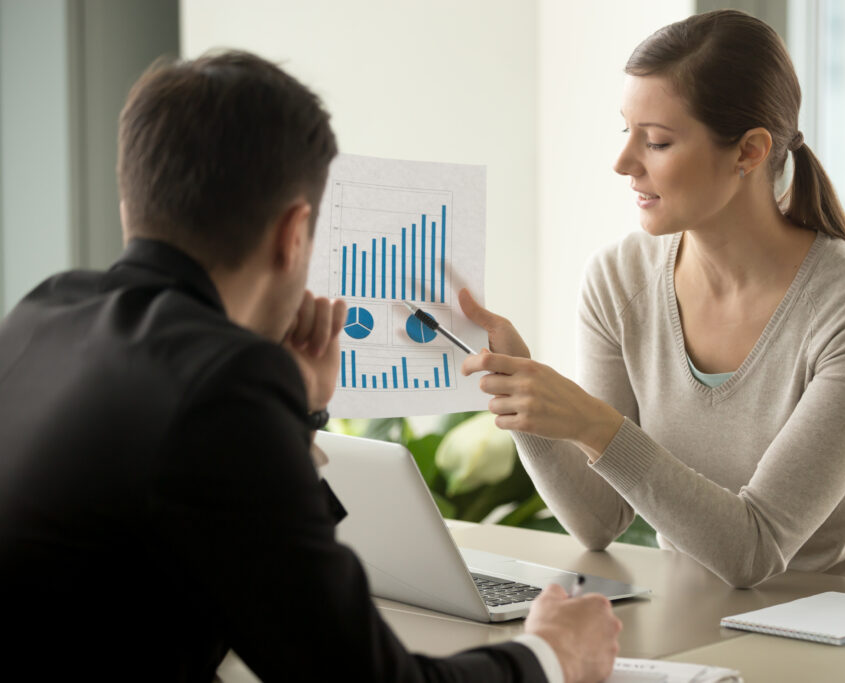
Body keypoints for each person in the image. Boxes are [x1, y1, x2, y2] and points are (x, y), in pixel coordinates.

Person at [0, 51, 620, 682]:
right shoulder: (224, 383)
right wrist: (550, 657)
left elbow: (220, 547)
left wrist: (298, 408)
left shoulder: (45, 310)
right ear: (295, 233)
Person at [460, 10, 845, 589]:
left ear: (749, 152)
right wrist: (521, 393)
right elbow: (598, 521)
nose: (623, 163)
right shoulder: (617, 279)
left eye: (657, 141)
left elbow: (756, 548)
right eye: (625, 131)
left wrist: (596, 426)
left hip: (831, 628)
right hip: (686, 616)